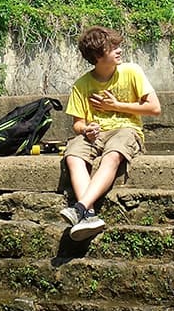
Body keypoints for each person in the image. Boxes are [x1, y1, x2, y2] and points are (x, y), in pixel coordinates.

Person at [60, 26, 161, 240]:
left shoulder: (131, 71)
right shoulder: (81, 85)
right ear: (97, 56)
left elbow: (154, 108)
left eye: (117, 45)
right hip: (95, 135)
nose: (119, 50)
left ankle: (80, 208)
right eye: (112, 47)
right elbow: (77, 124)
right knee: (73, 154)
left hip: (126, 129)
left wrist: (116, 105)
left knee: (113, 154)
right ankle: (90, 216)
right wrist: (85, 129)